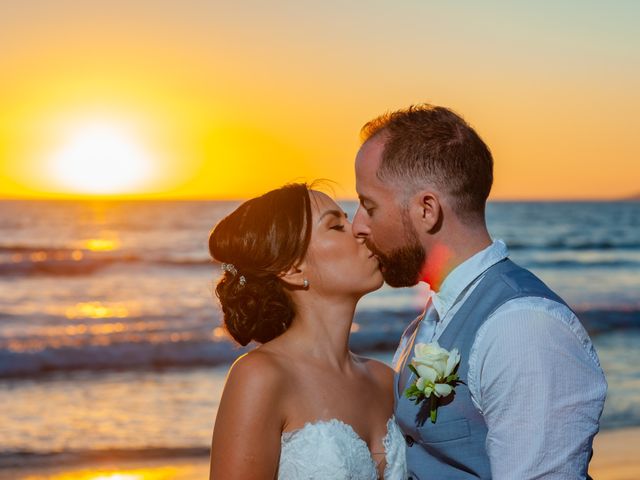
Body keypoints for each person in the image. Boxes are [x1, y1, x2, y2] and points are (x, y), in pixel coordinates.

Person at [352, 104, 607, 479]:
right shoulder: (429, 320)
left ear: (427, 210)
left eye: (368, 206)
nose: (358, 225)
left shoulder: (523, 329)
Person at [208, 183, 407, 479]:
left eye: (348, 219)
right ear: (293, 269)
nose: (360, 231)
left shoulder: (385, 380)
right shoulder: (261, 376)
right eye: (336, 226)